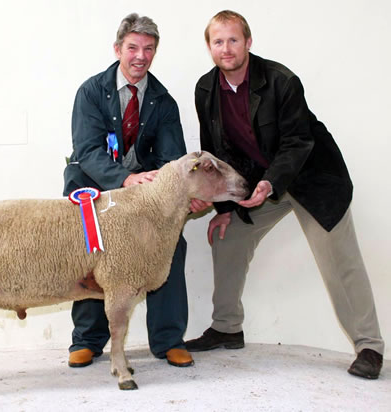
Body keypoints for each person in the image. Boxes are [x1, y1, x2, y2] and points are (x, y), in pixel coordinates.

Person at [185, 10, 384, 379]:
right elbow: (216, 152)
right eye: (218, 41)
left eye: (233, 40)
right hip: (259, 185)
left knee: (340, 262)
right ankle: (227, 326)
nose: (226, 49)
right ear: (209, 47)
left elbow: (297, 141)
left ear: (248, 42)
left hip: (312, 180)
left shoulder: (281, 80)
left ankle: (369, 345)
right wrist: (225, 208)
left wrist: (271, 183)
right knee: (227, 238)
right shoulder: (205, 89)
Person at [62, 13, 193, 368]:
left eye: (148, 49)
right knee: (94, 248)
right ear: (118, 48)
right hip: (94, 190)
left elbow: (171, 158)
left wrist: (151, 187)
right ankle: (87, 340)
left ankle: (169, 340)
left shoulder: (164, 101)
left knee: (171, 244)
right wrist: (124, 179)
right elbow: (87, 151)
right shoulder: (91, 91)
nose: (140, 56)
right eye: (133, 47)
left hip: (142, 196)